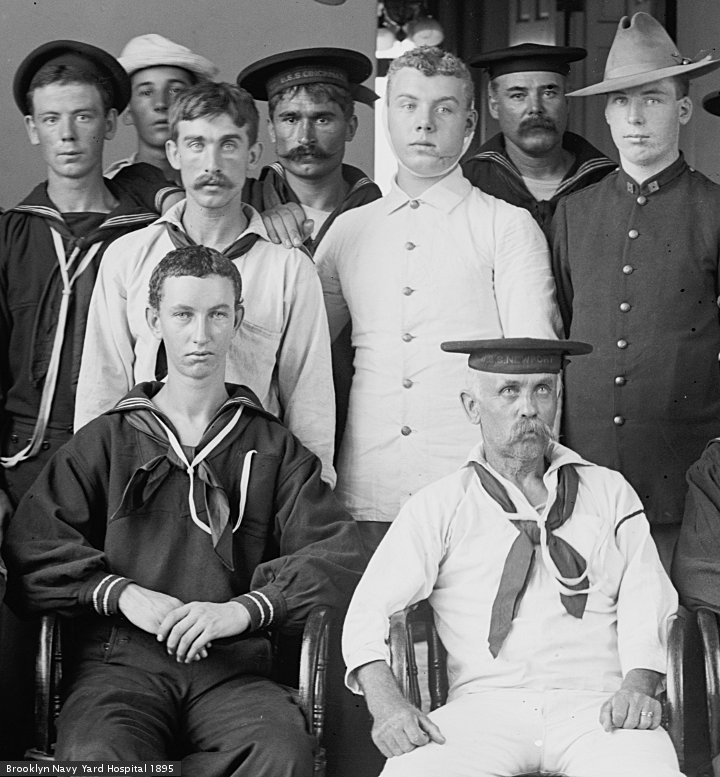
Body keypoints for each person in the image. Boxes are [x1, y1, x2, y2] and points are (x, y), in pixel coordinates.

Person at [3, 246, 367, 774]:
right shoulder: (105, 441)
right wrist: (123, 594)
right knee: (97, 758)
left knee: (280, 753)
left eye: (217, 314)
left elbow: (335, 557)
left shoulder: (274, 448)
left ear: (237, 320)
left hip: (234, 671)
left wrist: (241, 611)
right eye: (183, 315)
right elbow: (34, 548)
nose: (201, 334)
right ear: (154, 321)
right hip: (120, 667)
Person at [342, 337, 681, 777]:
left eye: (542, 389)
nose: (529, 408)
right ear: (472, 407)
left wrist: (638, 686)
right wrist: (388, 705)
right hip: (482, 709)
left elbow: (647, 597)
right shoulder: (440, 504)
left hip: (599, 708)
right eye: (509, 391)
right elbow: (367, 610)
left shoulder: (609, 492)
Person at [0, 38, 169, 759]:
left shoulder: (148, 238)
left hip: (119, 468)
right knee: (17, 636)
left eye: (84, 117)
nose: (68, 135)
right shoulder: (10, 234)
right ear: (31, 128)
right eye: (52, 119)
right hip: (22, 466)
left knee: (112, 635)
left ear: (112, 123)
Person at [315, 45, 559, 522]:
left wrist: (526, 488)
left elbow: (538, 371)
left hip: (476, 490)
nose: (423, 123)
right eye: (408, 105)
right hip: (368, 488)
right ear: (388, 116)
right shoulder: (349, 230)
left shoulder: (506, 226)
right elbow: (303, 351)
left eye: (443, 109)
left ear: (469, 123)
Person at [74, 81, 336, 483]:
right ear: (174, 153)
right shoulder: (127, 257)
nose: (212, 163)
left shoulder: (288, 268)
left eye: (228, 144)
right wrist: (91, 484)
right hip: (142, 475)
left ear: (252, 155)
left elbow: (309, 397)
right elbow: (101, 385)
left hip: (250, 477)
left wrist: (311, 493)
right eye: (196, 144)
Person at [551, 12, 720, 562]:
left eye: (653, 98)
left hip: (682, 478)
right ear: (605, 112)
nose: (635, 116)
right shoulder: (574, 212)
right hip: (587, 477)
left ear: (683, 110)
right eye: (621, 101)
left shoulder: (713, 210)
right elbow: (566, 326)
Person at [238, 48, 382, 455]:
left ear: (351, 126)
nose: (305, 137)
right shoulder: (239, 205)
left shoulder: (381, 216)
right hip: (255, 425)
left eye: (322, 119)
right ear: (270, 129)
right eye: (289, 119)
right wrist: (255, 215)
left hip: (358, 423)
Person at [462, 43, 615, 236]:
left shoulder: (607, 182)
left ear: (567, 101)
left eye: (549, 93)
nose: (535, 108)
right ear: (494, 106)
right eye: (518, 95)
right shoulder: (467, 184)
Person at [106, 33, 218, 196]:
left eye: (175, 90)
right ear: (128, 111)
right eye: (146, 92)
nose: (161, 103)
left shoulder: (221, 185)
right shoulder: (109, 191)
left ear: (196, 105)